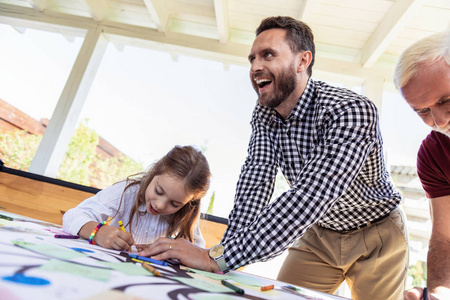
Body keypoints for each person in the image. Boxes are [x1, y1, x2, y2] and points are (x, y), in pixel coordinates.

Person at [140, 16, 408, 300]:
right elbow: (255, 182)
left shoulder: (351, 110)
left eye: (268, 55)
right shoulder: (265, 114)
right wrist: (219, 259)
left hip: (377, 232)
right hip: (321, 233)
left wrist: (216, 257)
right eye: (252, 58)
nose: (256, 66)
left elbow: (312, 195)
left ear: (303, 61)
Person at [63, 145, 210, 250]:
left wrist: (177, 251)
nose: (159, 205)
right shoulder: (128, 191)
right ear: (155, 171)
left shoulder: (187, 213)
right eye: (159, 191)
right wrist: (97, 233)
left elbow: (197, 249)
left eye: (175, 204)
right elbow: (72, 216)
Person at [394, 31, 450, 300]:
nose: (439, 121)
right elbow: (445, 237)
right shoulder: (433, 155)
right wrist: (439, 293)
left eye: (445, 101)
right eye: (423, 111)